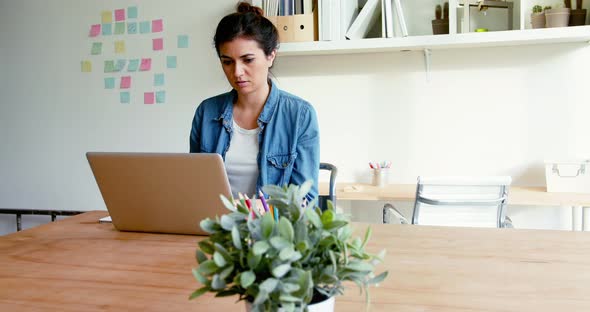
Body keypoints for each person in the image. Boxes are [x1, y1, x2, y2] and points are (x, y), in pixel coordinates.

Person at [189, 2, 320, 201]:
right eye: (227, 62)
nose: (237, 72)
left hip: (271, 229)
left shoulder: (300, 115)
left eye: (247, 60)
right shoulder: (206, 112)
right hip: (217, 228)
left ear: (270, 56)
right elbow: (195, 186)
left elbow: (305, 199)